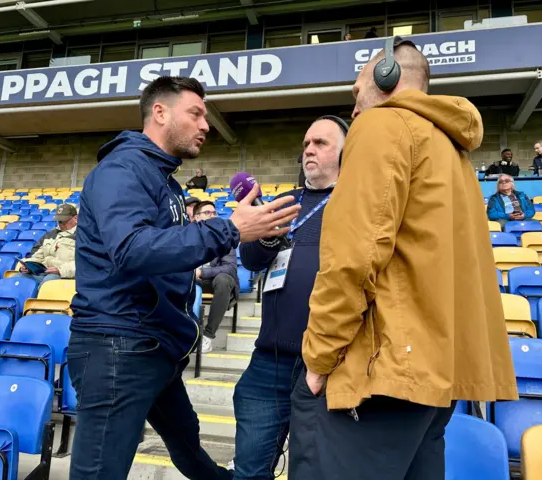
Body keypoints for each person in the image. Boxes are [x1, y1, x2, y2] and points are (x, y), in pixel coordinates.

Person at [289, 37, 518, 480]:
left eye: (356, 96)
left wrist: (318, 360)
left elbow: (352, 259)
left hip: (381, 376)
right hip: (433, 381)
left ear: (385, 78)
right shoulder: (454, 153)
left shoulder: (380, 127)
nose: (353, 112)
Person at [67, 76, 300, 480]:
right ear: (159, 112)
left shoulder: (166, 181)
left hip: (155, 345)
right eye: (195, 113)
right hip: (119, 346)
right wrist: (230, 229)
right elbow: (132, 249)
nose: (206, 125)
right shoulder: (123, 169)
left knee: (190, 451)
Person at [233, 115, 347, 480]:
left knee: (312, 471)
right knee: (249, 470)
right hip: (270, 361)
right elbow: (251, 260)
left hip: (330, 365)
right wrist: (268, 235)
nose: (309, 150)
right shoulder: (287, 202)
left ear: (346, 152)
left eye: (321, 143)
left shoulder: (356, 202)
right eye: (306, 144)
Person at [194, 200, 239, 354]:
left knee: (223, 279)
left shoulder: (225, 237)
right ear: (196, 217)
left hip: (214, 279)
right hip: (193, 279)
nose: (212, 215)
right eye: (208, 213)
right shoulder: (188, 236)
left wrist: (201, 273)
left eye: (214, 213)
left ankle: (208, 335)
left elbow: (230, 267)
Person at [14, 203, 78, 286]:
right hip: (44, 273)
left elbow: (86, 263)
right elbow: (37, 255)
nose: (61, 223)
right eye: (59, 220)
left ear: (75, 218)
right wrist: (29, 266)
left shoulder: (83, 235)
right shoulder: (50, 234)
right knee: (17, 277)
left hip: (67, 276)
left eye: (64, 220)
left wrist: (60, 270)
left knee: (49, 281)